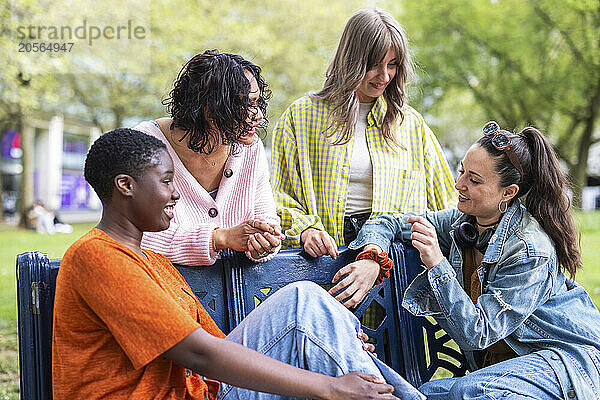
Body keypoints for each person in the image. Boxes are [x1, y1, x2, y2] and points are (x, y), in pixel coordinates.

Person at [52, 128, 425, 400]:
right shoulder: (96, 255)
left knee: (307, 302)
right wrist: (331, 387)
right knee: (304, 307)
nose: (177, 193)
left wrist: (331, 329)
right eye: (166, 181)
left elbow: (216, 344)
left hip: (204, 391)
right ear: (125, 185)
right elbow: (199, 353)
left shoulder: (152, 261)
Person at [346, 121, 600, 399]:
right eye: (462, 172)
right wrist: (373, 257)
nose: (459, 185)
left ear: (509, 192)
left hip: (565, 361)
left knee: (470, 390)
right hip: (509, 370)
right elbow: (388, 221)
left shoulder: (530, 250)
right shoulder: (463, 223)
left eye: (474, 180)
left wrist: (436, 262)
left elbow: (477, 334)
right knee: (425, 394)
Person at [270, 8, 456, 308]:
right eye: (373, 65)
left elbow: (446, 202)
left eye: (393, 65)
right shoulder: (302, 116)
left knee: (392, 352)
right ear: (351, 61)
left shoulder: (410, 124)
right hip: (325, 263)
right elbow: (274, 195)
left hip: (396, 268)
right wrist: (304, 228)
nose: (384, 76)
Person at [135, 50, 283, 266]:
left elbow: (267, 220)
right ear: (211, 109)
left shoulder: (251, 149)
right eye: (248, 105)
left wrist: (264, 242)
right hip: (165, 293)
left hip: (235, 292)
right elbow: (139, 235)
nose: (259, 115)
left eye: (258, 103)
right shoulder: (144, 144)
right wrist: (219, 238)